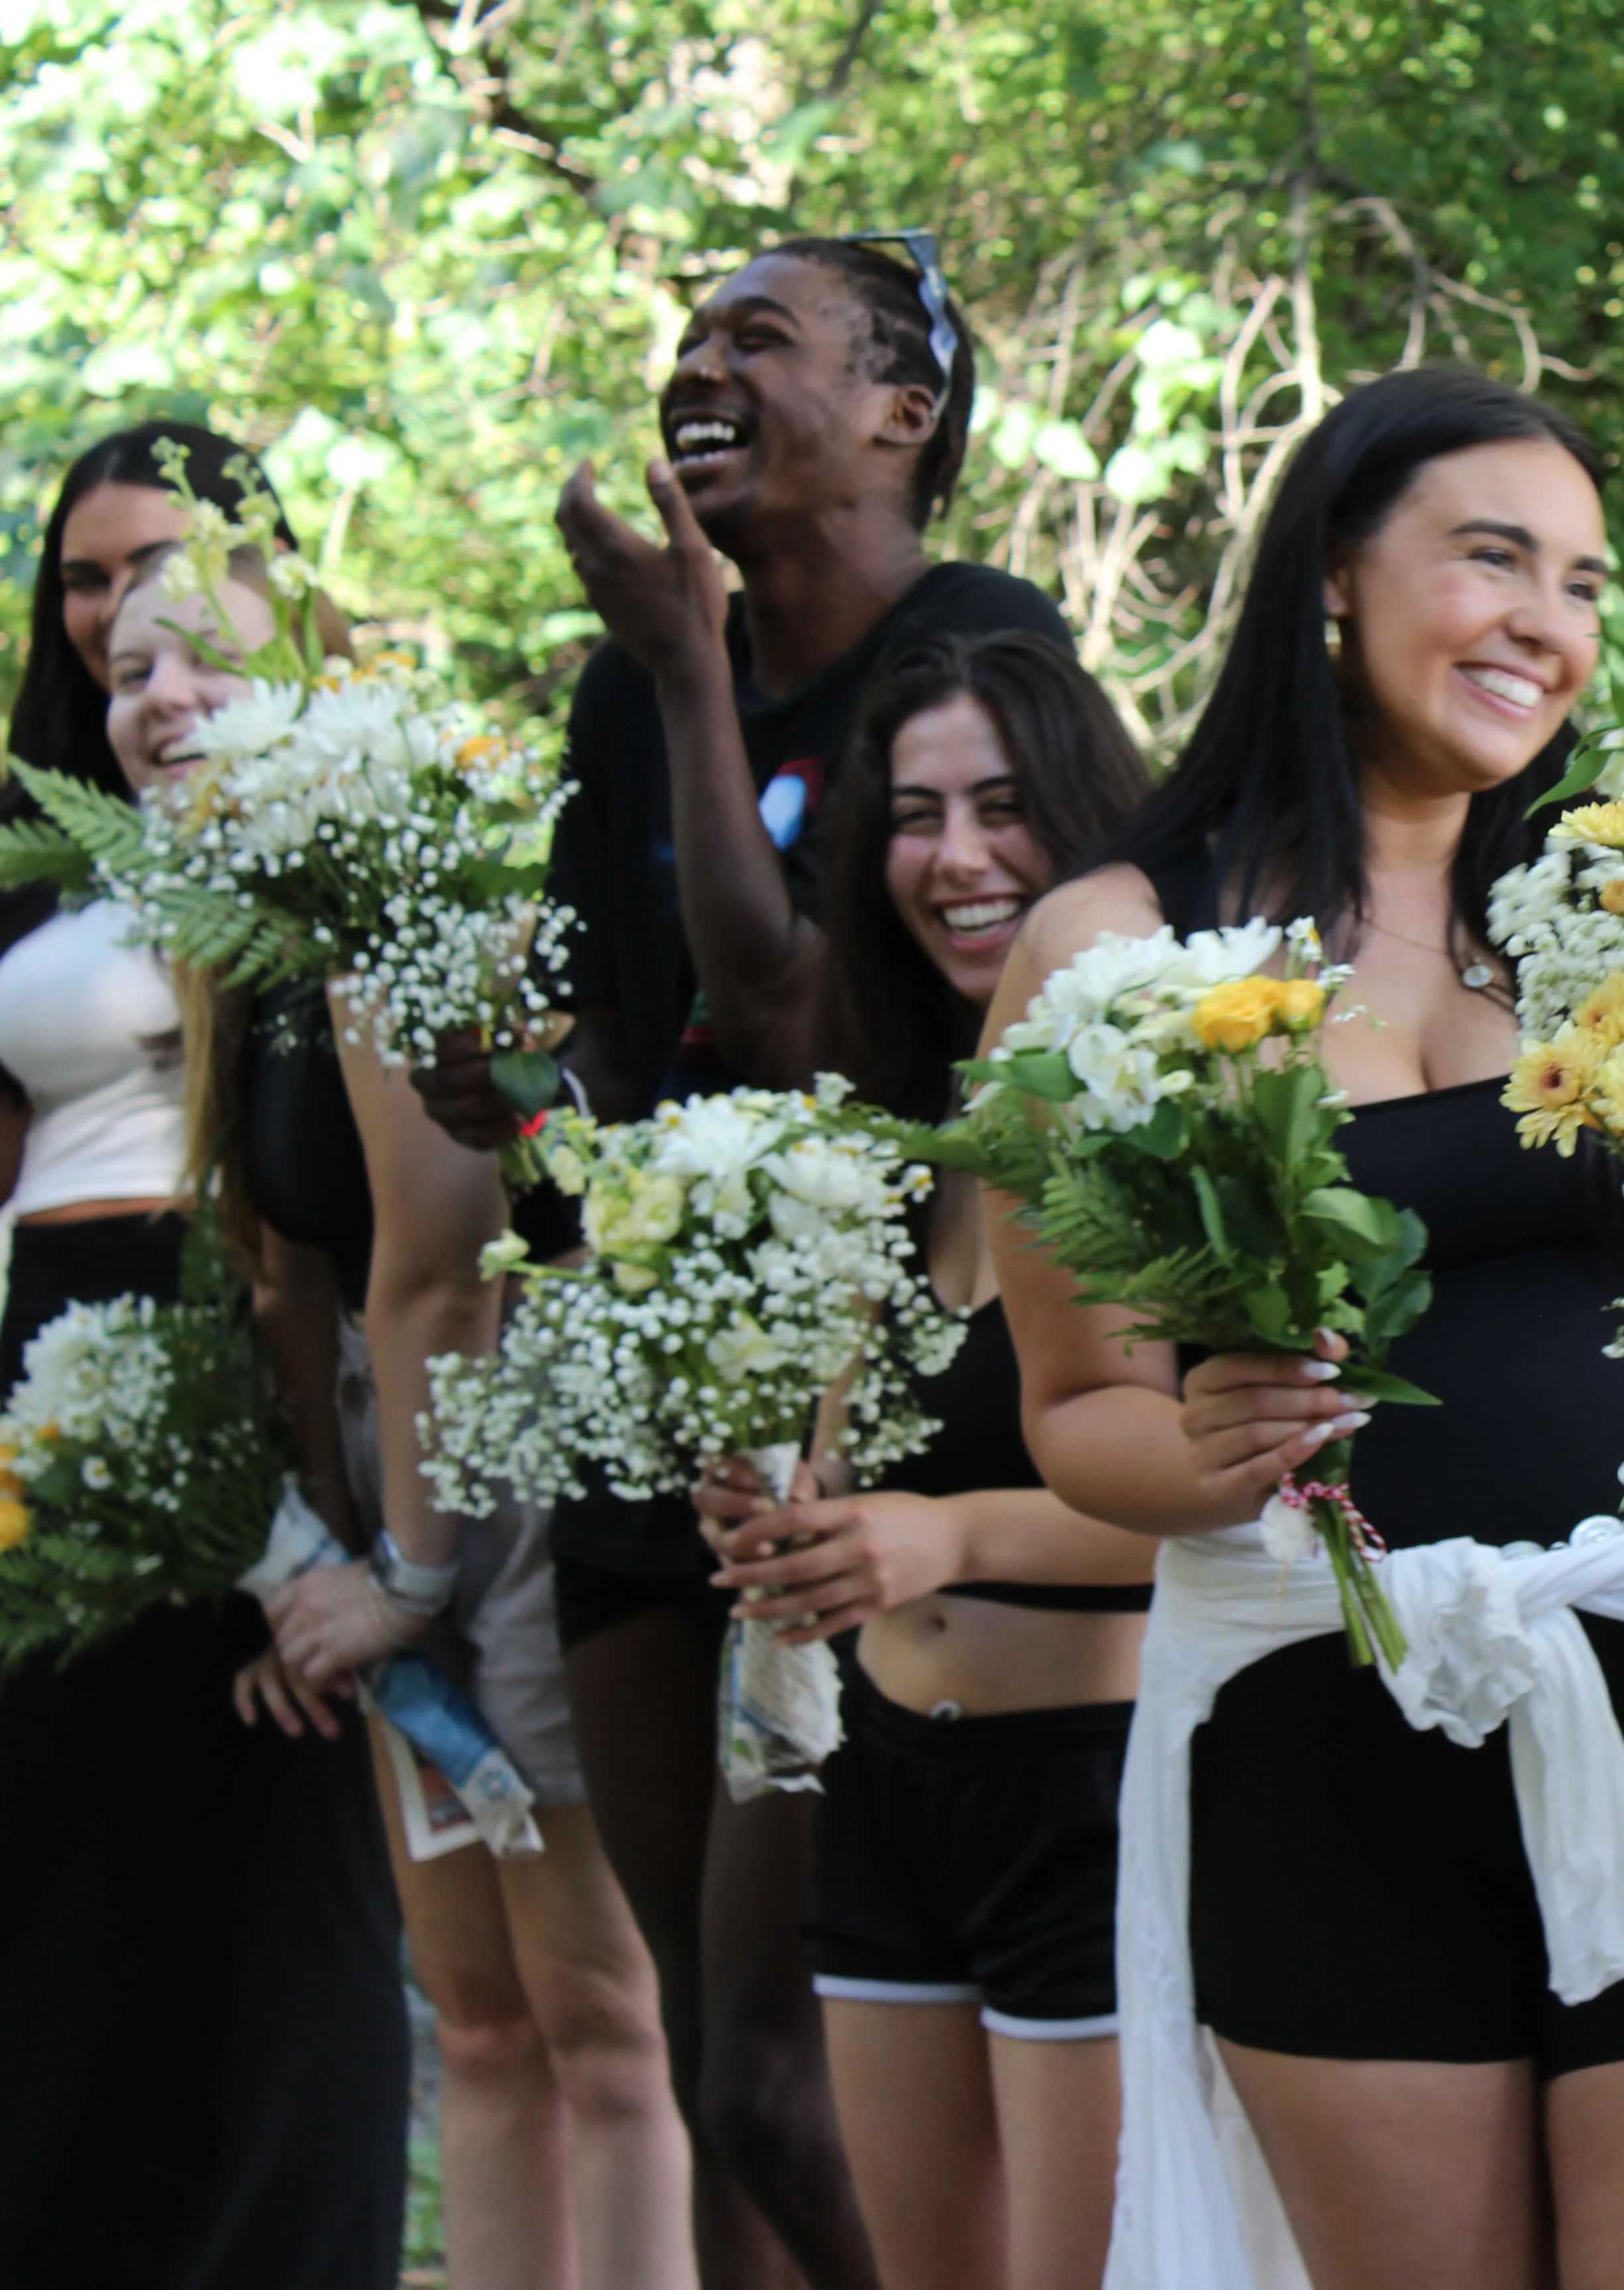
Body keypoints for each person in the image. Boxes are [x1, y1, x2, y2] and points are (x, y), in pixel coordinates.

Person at [988, 366, 1624, 2290]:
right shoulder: (1114, 949)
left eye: (1582, 584)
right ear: (1336, 568)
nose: (1547, 627)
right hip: (1335, 1752)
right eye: (1492, 557)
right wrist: (1203, 1448)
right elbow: (1075, 1407)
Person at [461, 232, 1069, 2290]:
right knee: (722, 2060)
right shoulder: (623, 692)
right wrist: (522, 1104)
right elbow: (613, 1046)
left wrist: (693, 670)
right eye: (690, 337)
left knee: (779, 2077)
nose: (696, 368)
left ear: (906, 411)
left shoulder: (974, 656)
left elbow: (799, 1015)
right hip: (652, 1405)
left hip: (874, 1420)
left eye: (760, 338)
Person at [97, 523, 704, 2286]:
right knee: (478, 2012)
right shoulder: (235, 928)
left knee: (601, 2017)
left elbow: (442, 1270)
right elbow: (288, 1274)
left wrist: (414, 1582)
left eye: (206, 657)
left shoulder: (391, 899)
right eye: (132, 671)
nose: (162, 701)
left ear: (321, 680)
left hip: (504, 1458)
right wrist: (317, 1558)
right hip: (389, 1480)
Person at [688, 629, 1158, 2290]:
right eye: (914, 812)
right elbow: (859, 1484)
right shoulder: (887, 1146)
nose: (956, 857)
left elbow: (1269, 1507)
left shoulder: (1174, 1128)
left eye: (1003, 806)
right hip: (887, 1789)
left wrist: (943, 1540)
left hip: (1095, 1805)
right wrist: (786, 1528)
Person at [0, 431, 407, 2287]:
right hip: (33, 1368)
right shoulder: (46, 833)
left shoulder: (319, 828)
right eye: (86, 589)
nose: (118, 624)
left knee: (247, 1879)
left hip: (228, 1344)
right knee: (56, 1886)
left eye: (159, 572)